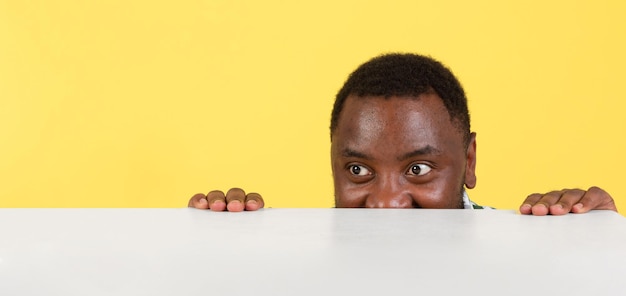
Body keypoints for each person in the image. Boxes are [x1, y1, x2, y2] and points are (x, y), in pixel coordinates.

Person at [188, 53, 618, 216]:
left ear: (468, 161)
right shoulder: (295, 258)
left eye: (417, 168)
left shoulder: (526, 251)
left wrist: (595, 245)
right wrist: (223, 250)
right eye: (358, 169)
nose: (386, 204)